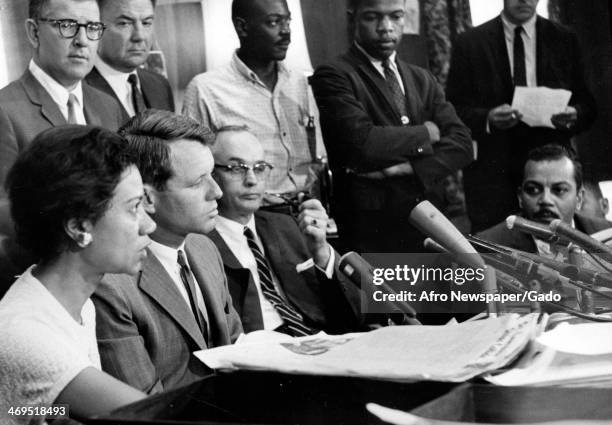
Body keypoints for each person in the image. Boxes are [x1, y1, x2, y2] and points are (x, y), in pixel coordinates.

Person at [0, 125, 155, 423]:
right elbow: (158, 419)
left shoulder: (75, 303)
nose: (149, 226)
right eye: (134, 207)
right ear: (79, 227)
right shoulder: (27, 335)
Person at [92, 110, 242, 394]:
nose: (217, 192)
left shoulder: (203, 247)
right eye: (198, 182)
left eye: (212, 175)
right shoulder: (111, 286)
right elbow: (142, 407)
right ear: (147, 198)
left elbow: (237, 348)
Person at [310, 0, 473, 253]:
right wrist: (426, 133)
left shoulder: (422, 78)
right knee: (384, 292)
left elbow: (462, 143)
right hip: (373, 227)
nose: (386, 28)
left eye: (396, 17)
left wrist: (406, 168)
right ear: (353, 18)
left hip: (430, 220)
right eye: (373, 17)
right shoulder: (334, 75)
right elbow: (364, 143)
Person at [447, 0, 597, 232]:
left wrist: (574, 114)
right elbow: (452, 110)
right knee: (495, 254)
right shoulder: (470, 42)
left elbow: (588, 106)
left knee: (556, 250)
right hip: (493, 174)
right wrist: (488, 118)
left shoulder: (564, 39)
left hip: (551, 170)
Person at [208, 126, 363, 334]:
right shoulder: (200, 242)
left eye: (260, 167)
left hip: (316, 342)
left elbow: (353, 313)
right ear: (211, 174)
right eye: (237, 168)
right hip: (256, 353)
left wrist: (322, 252)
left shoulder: (286, 225)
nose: (252, 180)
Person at [0, 0, 124, 236]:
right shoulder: (4, 110)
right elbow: (3, 216)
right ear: (34, 32)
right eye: (67, 25)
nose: (82, 40)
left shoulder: (107, 105)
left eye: (92, 28)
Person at [182, 0, 326, 198]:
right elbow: (193, 169)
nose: (286, 32)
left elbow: (318, 158)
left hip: (308, 209)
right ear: (242, 27)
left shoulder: (300, 82)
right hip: (251, 215)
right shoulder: (206, 90)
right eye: (274, 22)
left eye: (288, 21)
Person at [477, 144, 611, 255]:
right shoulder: (486, 246)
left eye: (559, 190)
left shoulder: (607, 235)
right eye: (533, 190)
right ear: (520, 197)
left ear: (579, 198)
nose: (545, 200)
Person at [85, 0, 174, 117]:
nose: (140, 36)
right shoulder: (77, 91)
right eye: (124, 23)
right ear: (96, 27)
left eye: (146, 23)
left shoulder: (160, 85)